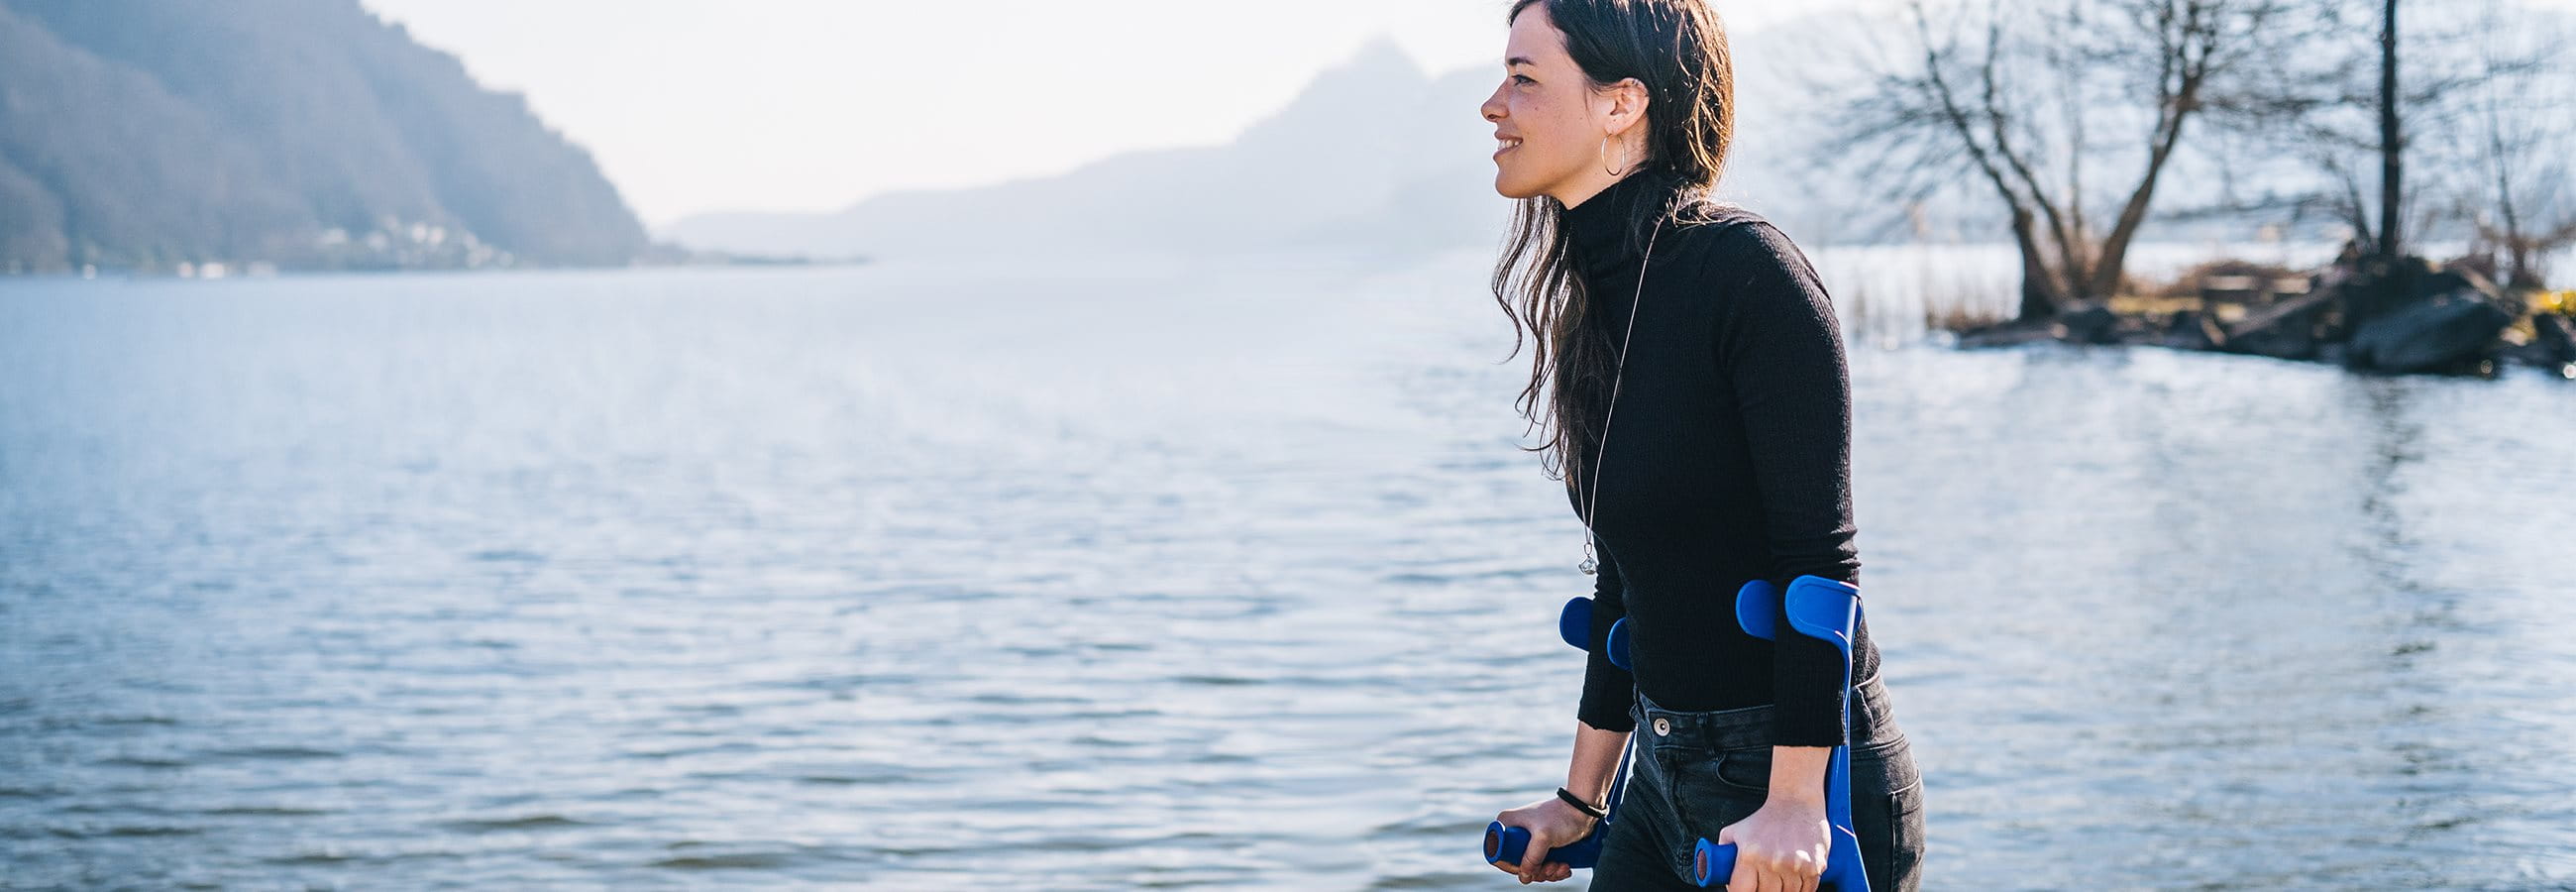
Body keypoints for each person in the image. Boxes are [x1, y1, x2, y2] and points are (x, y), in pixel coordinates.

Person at [1477, 2, 1926, 889]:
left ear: (1621, 104)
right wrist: (1580, 799)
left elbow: (1819, 561)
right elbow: (1628, 576)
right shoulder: (1600, 301)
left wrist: (1798, 800)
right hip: (1663, 768)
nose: (1494, 104)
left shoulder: (1747, 275)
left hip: (1799, 785)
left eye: (1524, 78)